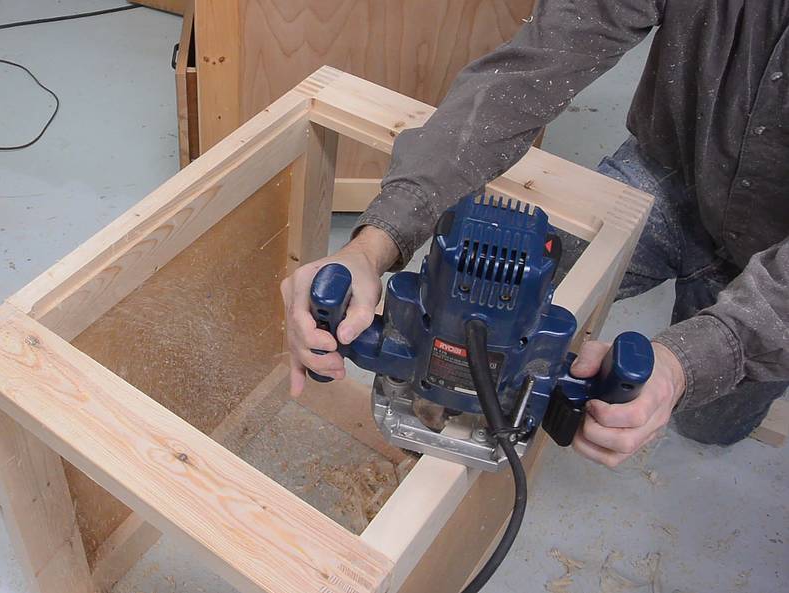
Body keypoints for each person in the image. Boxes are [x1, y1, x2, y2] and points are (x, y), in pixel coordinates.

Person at [280, 0, 788, 467]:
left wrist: (682, 367)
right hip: (672, 170)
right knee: (531, 289)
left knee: (707, 423)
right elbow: (530, 70)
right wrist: (371, 244)